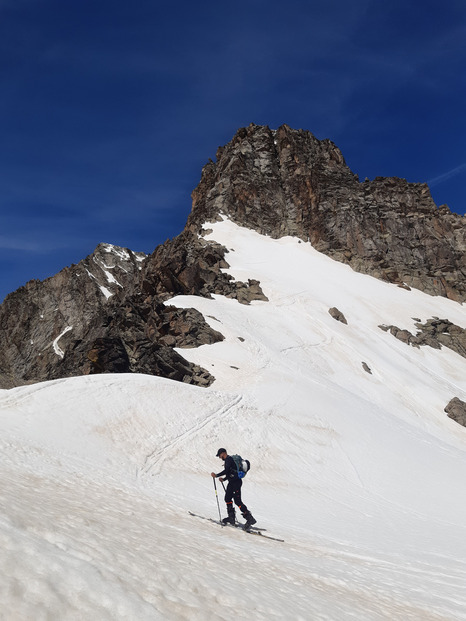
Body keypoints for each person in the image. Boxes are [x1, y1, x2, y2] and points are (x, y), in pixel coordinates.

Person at [210, 448, 257, 528]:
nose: (220, 457)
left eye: (220, 455)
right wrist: (224, 479)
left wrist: (217, 475)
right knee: (227, 498)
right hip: (232, 482)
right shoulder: (228, 460)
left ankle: (250, 518)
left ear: (223, 453)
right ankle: (231, 518)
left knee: (238, 501)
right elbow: (230, 472)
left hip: (236, 483)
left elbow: (226, 471)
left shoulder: (228, 459)